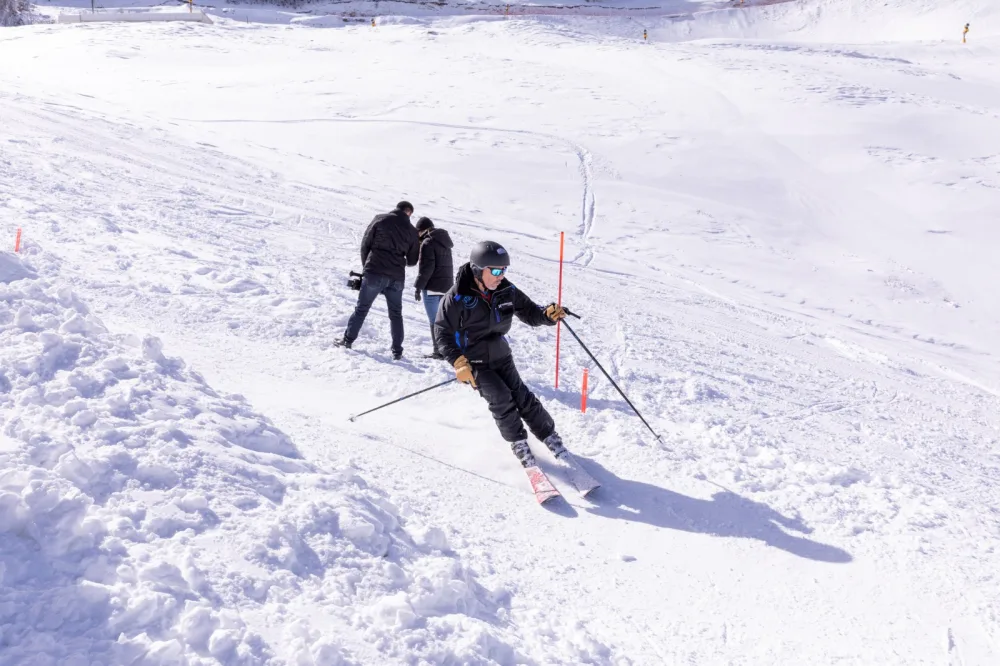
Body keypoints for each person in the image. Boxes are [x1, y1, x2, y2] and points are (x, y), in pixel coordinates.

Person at [434, 240, 569, 468]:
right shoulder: (456, 297)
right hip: (474, 362)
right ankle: (519, 445)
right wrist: (458, 362)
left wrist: (547, 314)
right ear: (478, 269)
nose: (500, 275)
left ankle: (550, 437)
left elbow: (529, 311)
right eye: (495, 271)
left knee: (523, 397)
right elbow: (442, 332)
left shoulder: (506, 290)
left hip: (501, 355)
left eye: (504, 270)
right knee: (501, 398)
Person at [337, 201, 419, 360]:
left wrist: (367, 269)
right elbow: (412, 261)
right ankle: (397, 352)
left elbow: (365, 244)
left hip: (374, 271)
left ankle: (347, 340)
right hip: (396, 277)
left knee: (362, 309)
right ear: (409, 213)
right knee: (396, 314)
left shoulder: (380, 219)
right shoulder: (412, 231)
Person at [413, 217, 454, 360]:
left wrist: (418, 287)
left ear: (423, 230)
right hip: (446, 286)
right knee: (444, 320)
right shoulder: (445, 242)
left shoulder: (428, 242)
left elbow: (427, 268)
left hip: (431, 287)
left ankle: (438, 351)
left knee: (434, 321)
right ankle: (448, 350)